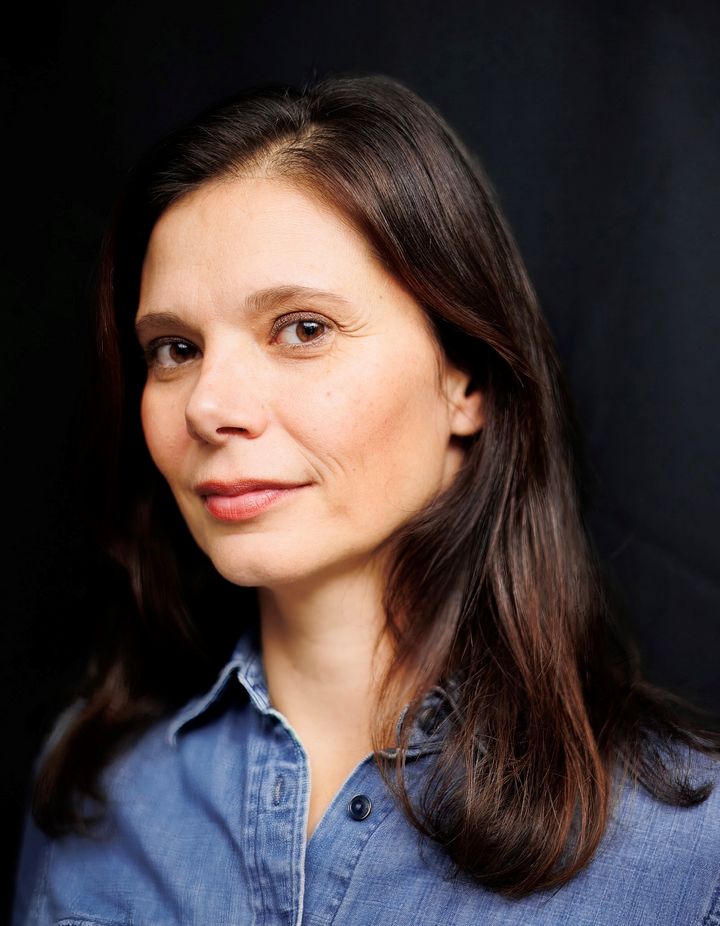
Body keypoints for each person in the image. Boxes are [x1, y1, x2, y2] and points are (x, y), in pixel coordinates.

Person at [10, 72, 720, 926]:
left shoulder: (690, 851)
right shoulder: (98, 790)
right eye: (174, 348)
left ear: (466, 379)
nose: (208, 405)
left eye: (303, 329)